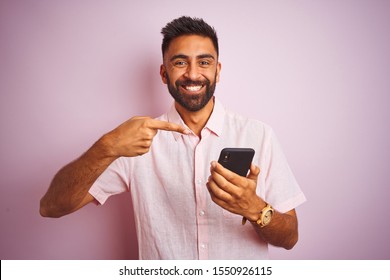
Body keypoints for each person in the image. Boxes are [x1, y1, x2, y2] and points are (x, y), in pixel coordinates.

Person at [40, 16, 306, 260]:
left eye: (204, 62)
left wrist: (255, 208)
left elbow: (290, 238)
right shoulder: (134, 141)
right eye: (180, 62)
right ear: (164, 73)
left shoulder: (259, 135)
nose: (192, 74)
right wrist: (107, 146)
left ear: (218, 70)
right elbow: (52, 206)